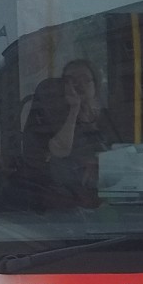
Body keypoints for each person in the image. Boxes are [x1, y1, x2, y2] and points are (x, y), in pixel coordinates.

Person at [23, 58, 117, 206]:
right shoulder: (54, 117)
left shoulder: (108, 117)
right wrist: (74, 109)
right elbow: (60, 151)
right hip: (68, 198)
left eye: (85, 79)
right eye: (71, 80)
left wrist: (100, 163)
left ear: (95, 84)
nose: (78, 85)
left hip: (110, 193)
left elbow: (122, 152)